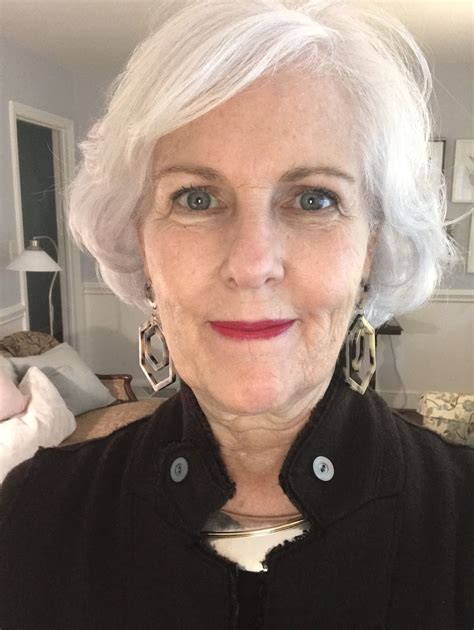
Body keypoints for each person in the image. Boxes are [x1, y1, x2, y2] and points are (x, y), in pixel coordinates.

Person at [1, 1, 473, 628]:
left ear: (371, 247)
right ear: (142, 245)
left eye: (314, 199)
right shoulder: (37, 513)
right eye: (196, 198)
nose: (252, 265)